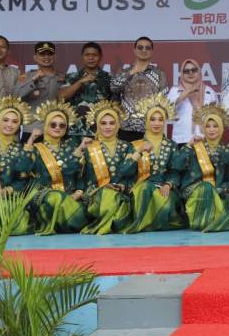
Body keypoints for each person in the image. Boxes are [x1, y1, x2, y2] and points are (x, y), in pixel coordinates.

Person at [23, 100, 89, 236]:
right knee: (56, 198)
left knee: (80, 211)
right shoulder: (36, 148)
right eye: (53, 124)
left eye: (62, 125)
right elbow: (22, 168)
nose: (57, 127)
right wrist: (30, 140)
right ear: (46, 125)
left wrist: (78, 193)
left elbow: (80, 175)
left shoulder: (73, 147)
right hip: (43, 196)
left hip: (71, 196)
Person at [121, 93, 183, 233]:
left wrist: (168, 184)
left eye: (160, 119)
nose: (156, 123)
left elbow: (175, 172)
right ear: (146, 121)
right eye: (152, 119)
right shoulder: (135, 145)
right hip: (141, 191)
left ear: (165, 121)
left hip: (163, 189)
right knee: (144, 188)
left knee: (166, 208)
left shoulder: (171, 145)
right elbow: (125, 171)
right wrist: (139, 152)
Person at [175, 104, 229, 232]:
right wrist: (188, 145)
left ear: (221, 128)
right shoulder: (196, 147)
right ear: (203, 128)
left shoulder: (225, 151)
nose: (211, 130)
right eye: (208, 126)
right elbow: (176, 165)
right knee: (206, 188)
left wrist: (221, 189)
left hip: (217, 191)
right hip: (194, 190)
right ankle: (204, 222)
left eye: (215, 126)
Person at [80, 101, 136, 236]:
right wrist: (102, 186)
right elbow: (83, 177)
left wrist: (122, 186)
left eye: (112, 123)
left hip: (121, 192)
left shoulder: (127, 146)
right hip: (96, 194)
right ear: (97, 125)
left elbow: (132, 173)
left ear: (118, 125)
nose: (108, 127)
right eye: (103, 123)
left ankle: (106, 225)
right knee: (108, 196)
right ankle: (106, 225)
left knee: (116, 198)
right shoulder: (89, 147)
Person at [111, 36, 168, 142]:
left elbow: (163, 103)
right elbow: (114, 88)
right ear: (134, 50)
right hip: (125, 128)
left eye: (147, 48)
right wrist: (131, 72)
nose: (144, 50)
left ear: (152, 51)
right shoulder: (124, 72)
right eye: (140, 47)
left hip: (150, 128)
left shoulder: (159, 74)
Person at [59, 42, 112, 131]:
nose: (91, 58)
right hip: (76, 128)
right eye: (87, 55)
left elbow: (115, 103)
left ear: (100, 57)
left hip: (101, 128)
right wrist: (80, 82)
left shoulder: (109, 78)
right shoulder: (72, 77)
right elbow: (61, 97)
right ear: (82, 57)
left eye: (94, 55)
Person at [15, 41, 63, 139]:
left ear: (55, 57)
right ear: (35, 57)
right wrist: (33, 80)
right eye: (42, 54)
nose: (46, 57)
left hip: (56, 128)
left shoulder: (62, 77)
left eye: (49, 54)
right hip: (31, 128)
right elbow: (15, 96)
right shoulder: (26, 76)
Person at [167, 58, 218, 144]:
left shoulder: (209, 91)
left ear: (199, 72)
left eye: (193, 70)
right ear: (182, 74)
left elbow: (216, 117)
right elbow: (168, 108)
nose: (190, 73)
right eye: (186, 71)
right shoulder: (175, 90)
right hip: (182, 139)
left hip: (205, 139)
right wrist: (187, 92)